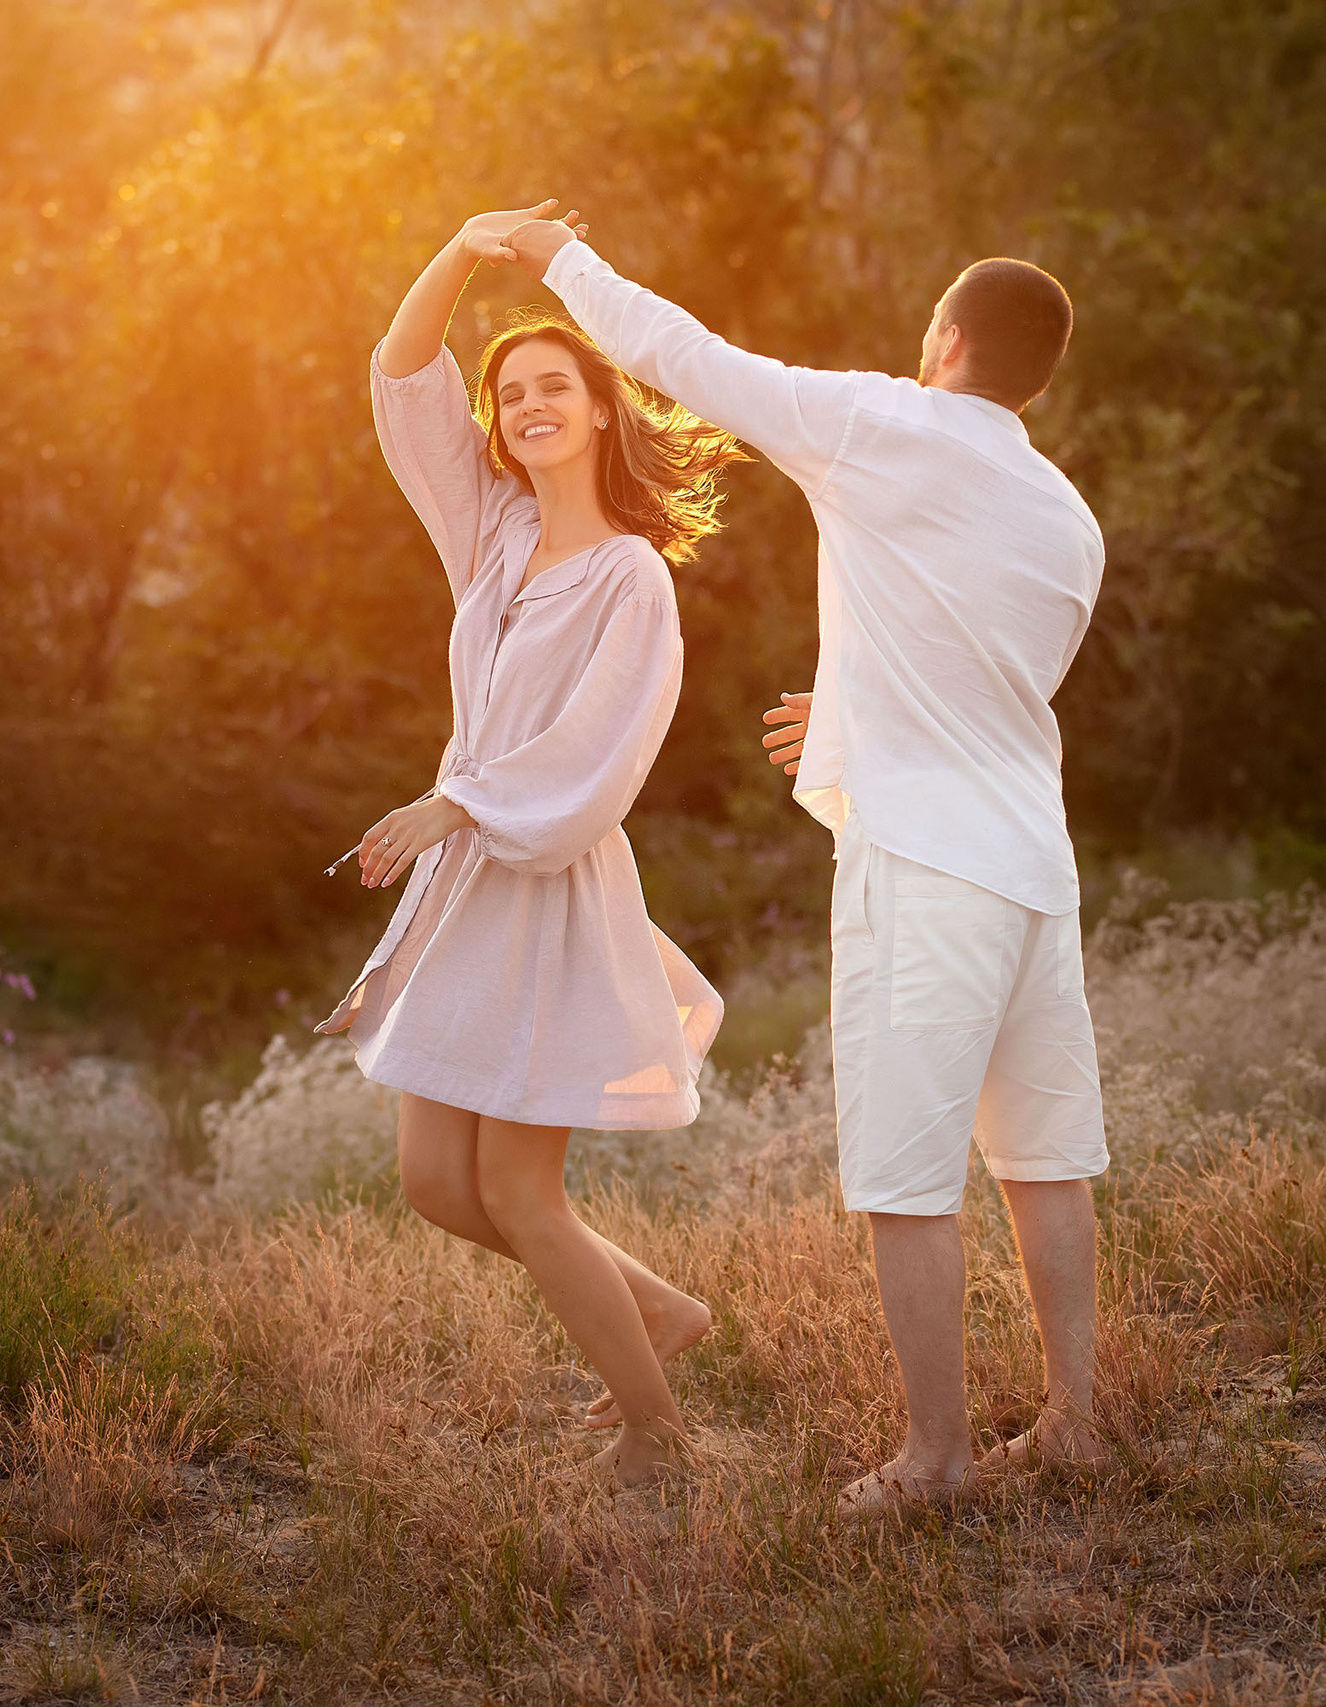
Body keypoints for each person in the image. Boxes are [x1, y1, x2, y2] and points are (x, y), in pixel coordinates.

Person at [500, 216, 1110, 1510]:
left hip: (927, 869)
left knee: (904, 1178)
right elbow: (992, 680)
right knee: (1045, 1157)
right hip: (1034, 870)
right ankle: (1076, 1420)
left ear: (947, 338)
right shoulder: (1065, 515)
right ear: (1038, 376)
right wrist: (845, 719)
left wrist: (559, 259)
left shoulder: (884, 424)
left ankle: (935, 1459)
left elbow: (683, 356)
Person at [314, 201, 746, 1488]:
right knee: (435, 1184)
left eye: (554, 385)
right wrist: (461, 248)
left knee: (517, 1189)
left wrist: (453, 805)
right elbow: (403, 376)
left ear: (602, 410)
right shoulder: (492, 536)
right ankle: (658, 1311)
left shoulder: (631, 577)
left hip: (545, 876)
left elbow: (599, 752)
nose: (528, 405)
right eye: (510, 395)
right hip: (469, 888)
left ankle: (658, 1436)